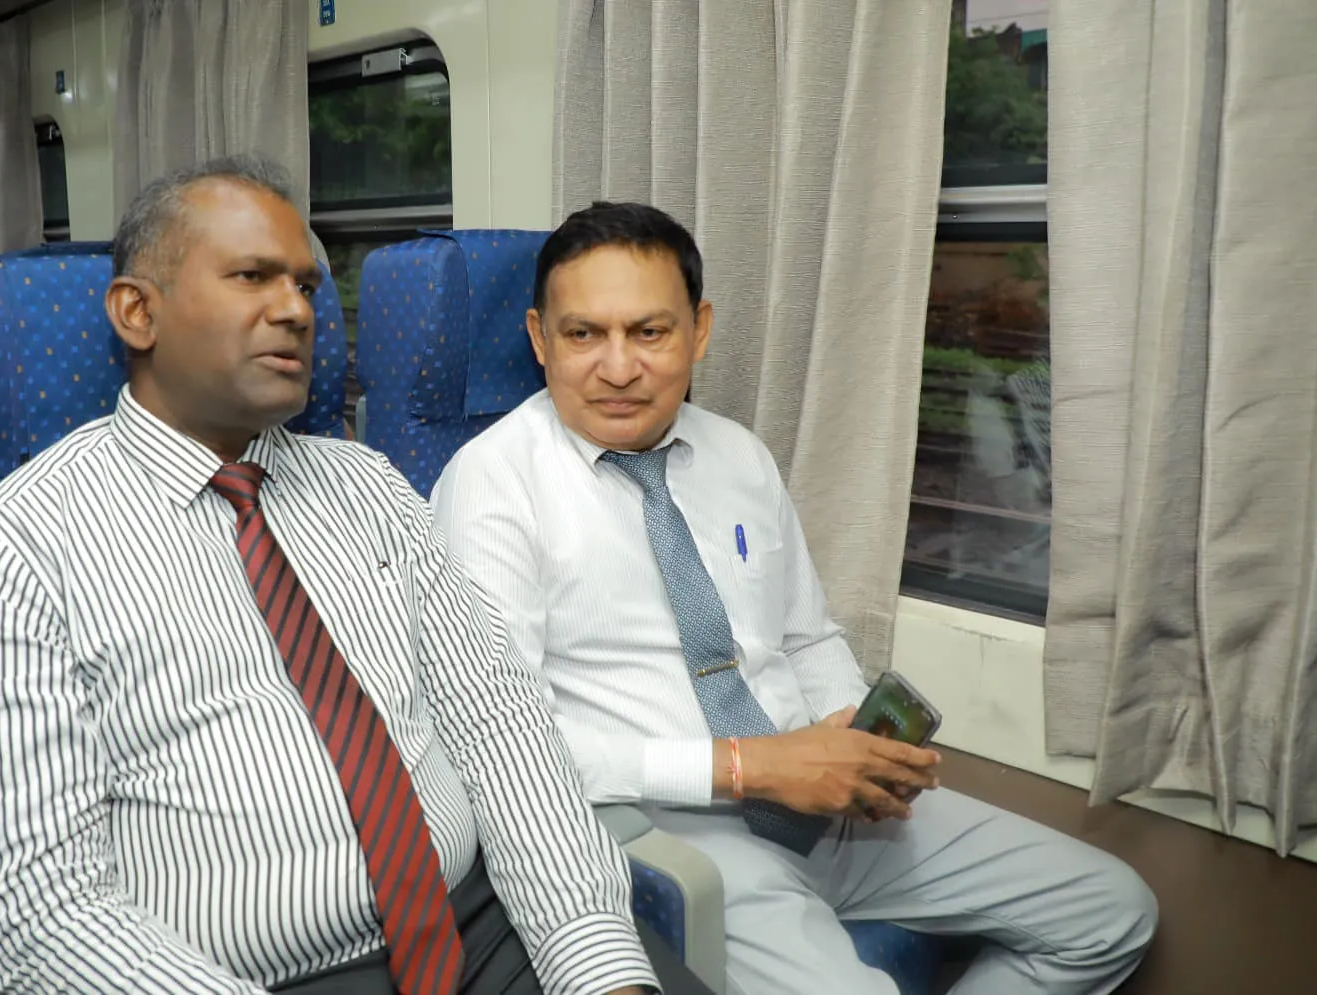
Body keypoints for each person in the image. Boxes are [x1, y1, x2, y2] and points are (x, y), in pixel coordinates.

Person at [0, 161, 712, 995]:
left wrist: (594, 959)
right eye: (253, 277)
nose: (297, 310)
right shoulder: (10, 556)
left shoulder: (369, 486)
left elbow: (501, 728)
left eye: (304, 284)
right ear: (137, 312)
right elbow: (43, 913)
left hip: (483, 927)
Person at [429, 201, 1159, 995]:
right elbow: (503, 748)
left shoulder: (738, 455)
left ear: (698, 330)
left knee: (1111, 911)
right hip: (668, 830)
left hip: (825, 803)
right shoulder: (492, 485)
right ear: (540, 338)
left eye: (649, 332)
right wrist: (746, 766)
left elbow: (806, 637)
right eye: (583, 335)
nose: (617, 367)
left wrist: (854, 744)